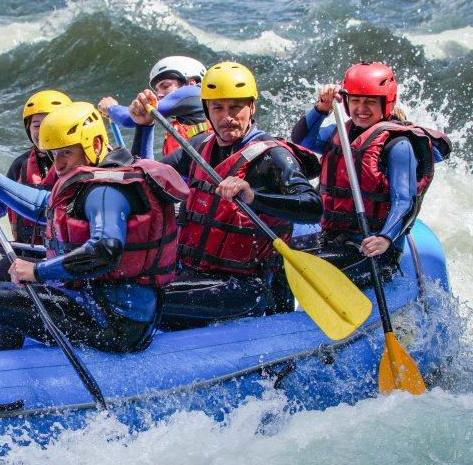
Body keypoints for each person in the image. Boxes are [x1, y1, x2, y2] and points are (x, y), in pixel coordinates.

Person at [0, 102, 189, 355]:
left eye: (66, 153)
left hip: (115, 325)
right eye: (53, 154)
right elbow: (43, 206)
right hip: (95, 303)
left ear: (95, 144)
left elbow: (104, 251)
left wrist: (38, 271)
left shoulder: (106, 189)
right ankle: (5, 362)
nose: (58, 164)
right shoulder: (92, 178)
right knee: (8, 275)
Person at [126, 62, 323, 328]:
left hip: (244, 287)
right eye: (218, 108)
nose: (227, 117)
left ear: (251, 107)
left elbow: (313, 206)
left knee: (142, 303)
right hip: (193, 273)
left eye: (235, 107)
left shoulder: (273, 156)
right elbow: (144, 175)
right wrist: (144, 126)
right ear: (207, 110)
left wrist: (254, 196)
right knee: (125, 287)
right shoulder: (198, 147)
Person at [291, 62, 451, 281]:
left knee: (296, 268)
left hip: (373, 249)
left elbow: (405, 201)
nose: (361, 108)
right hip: (333, 237)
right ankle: (276, 315)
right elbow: (302, 140)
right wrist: (322, 108)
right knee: (277, 258)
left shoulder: (399, 145)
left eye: (370, 102)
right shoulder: (340, 132)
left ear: (387, 103)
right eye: (355, 101)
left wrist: (385, 238)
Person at [0, 89, 69, 285]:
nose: (43, 131)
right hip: (25, 248)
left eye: (49, 123)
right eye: (37, 125)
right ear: (28, 129)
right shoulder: (21, 164)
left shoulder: (73, 165)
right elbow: (2, 200)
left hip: (57, 255)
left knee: (6, 268)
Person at [99, 55, 212, 157]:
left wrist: (111, 107)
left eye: (165, 86)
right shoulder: (179, 126)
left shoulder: (194, 92)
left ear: (191, 82)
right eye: (157, 89)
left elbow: (128, 119)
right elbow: (146, 167)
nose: (159, 94)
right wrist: (146, 125)